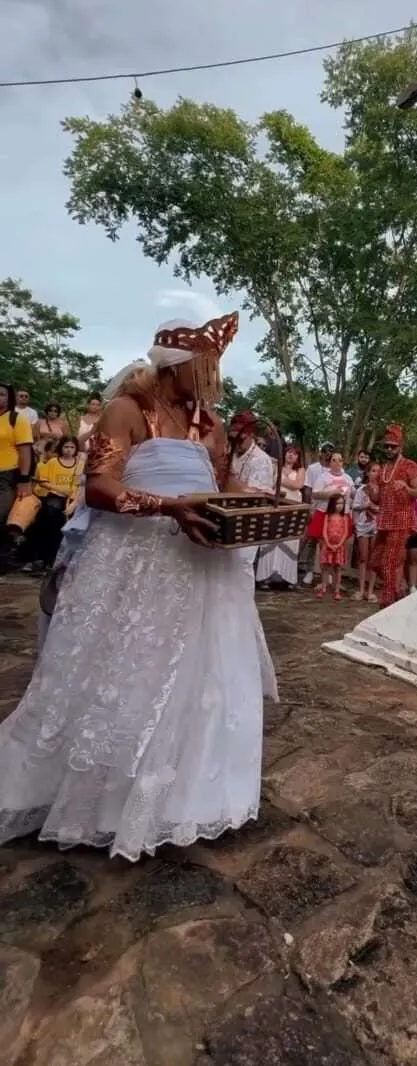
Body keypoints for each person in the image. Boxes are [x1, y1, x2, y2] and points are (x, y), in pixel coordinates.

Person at [0, 312, 278, 863]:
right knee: (123, 668)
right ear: (175, 366)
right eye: (204, 368)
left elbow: (220, 486)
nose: (211, 380)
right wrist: (171, 507)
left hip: (201, 563)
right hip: (136, 558)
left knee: (204, 674)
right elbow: (101, 487)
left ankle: (186, 798)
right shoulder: (127, 410)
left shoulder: (211, 424)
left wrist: (257, 499)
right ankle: (102, 799)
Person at [372, 425, 417, 606]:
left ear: (400, 447)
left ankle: (387, 600)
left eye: (393, 446)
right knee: (375, 561)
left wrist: (406, 487)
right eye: (386, 446)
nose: (389, 449)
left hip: (401, 520)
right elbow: (378, 498)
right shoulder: (383, 469)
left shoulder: (409, 466)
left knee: (388, 561)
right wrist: (371, 488)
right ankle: (398, 592)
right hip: (384, 521)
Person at [255, 445, 305, 590]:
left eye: (295, 454)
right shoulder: (275, 467)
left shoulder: (300, 470)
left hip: (292, 506)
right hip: (275, 506)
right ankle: (265, 577)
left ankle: (287, 578)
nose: (291, 455)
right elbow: (269, 483)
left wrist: (280, 481)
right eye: (289, 452)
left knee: (289, 541)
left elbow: (298, 484)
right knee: (271, 538)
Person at [31, 436, 83, 570]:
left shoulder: (79, 464)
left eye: (72, 447)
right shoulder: (53, 462)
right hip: (54, 495)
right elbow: (44, 482)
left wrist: (73, 496)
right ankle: (45, 557)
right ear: (61, 447)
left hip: (73, 498)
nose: (69, 450)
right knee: (51, 512)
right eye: (66, 447)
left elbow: (80, 484)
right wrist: (61, 490)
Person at [0, 384, 33, 574]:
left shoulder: (16, 419)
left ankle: (4, 558)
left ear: (9, 398)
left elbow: (25, 451)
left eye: (2, 394)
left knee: (2, 515)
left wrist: (24, 479)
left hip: (7, 475)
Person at [300, 442, 334, 586]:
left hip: (330, 510)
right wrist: (309, 508)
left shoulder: (335, 469)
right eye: (325, 451)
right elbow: (307, 488)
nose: (328, 453)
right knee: (311, 540)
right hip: (315, 508)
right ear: (321, 452)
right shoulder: (313, 468)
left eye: (331, 451)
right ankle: (308, 570)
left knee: (327, 542)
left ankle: (326, 572)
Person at [305, 451, 355, 548]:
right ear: (330, 463)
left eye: (340, 460)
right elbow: (315, 494)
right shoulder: (323, 477)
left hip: (342, 515)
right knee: (324, 547)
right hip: (325, 514)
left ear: (343, 463)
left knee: (341, 547)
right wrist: (331, 493)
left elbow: (353, 493)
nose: (337, 463)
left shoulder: (348, 478)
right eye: (334, 460)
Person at [352, 462, 380, 601]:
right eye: (373, 470)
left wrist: (375, 508)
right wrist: (366, 505)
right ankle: (361, 589)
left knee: (374, 559)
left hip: (376, 525)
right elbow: (355, 507)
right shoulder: (362, 490)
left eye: (377, 471)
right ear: (368, 473)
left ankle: (371, 591)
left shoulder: (383, 490)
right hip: (363, 525)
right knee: (363, 558)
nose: (375, 473)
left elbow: (385, 509)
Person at [316, 495, 352, 600]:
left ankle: (337, 590)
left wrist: (339, 545)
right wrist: (328, 544)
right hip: (328, 546)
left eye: (341, 503)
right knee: (325, 568)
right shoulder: (328, 516)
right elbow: (324, 531)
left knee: (338, 568)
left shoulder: (344, 517)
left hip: (339, 547)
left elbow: (345, 533)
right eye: (337, 503)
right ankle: (323, 588)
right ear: (332, 504)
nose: (339, 506)